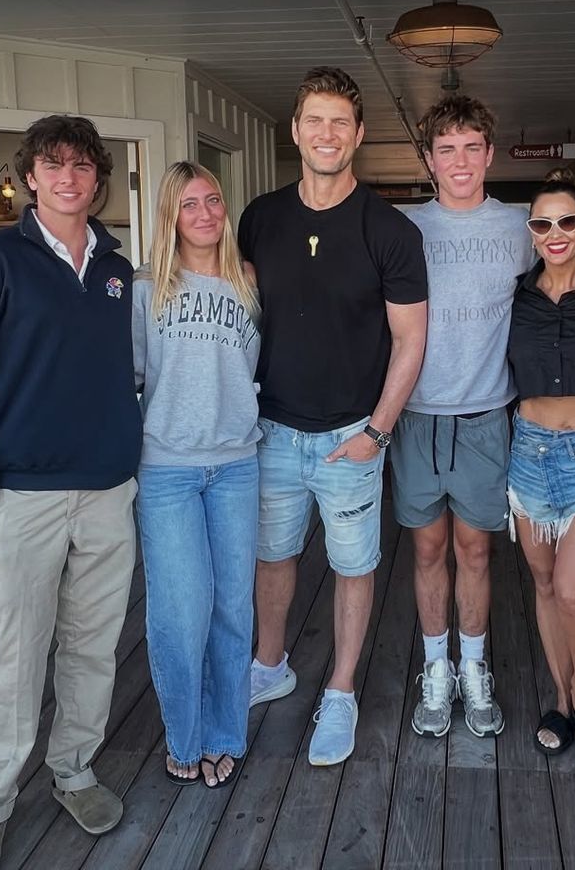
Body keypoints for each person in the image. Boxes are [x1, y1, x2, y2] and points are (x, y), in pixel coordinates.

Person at [0, 116, 142, 870]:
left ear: (97, 178)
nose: (68, 177)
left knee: (92, 648)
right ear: (30, 176)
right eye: (53, 165)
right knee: (15, 660)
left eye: (82, 165)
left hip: (107, 492)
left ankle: (74, 771)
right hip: (20, 498)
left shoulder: (118, 269)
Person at [237, 67, 428, 767]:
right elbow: (237, 313)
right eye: (314, 120)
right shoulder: (260, 218)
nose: (327, 133)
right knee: (272, 556)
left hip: (352, 434)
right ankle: (269, 665)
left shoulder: (390, 229)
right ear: (295, 131)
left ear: (359, 133)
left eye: (340, 122)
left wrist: (377, 431)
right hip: (272, 429)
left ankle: (341, 690)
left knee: (353, 566)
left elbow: (411, 339)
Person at [392, 94, 531, 739]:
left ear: (490, 154)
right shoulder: (403, 228)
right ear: (429, 159)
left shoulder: (520, 229)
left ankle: (474, 667)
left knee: (475, 550)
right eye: (446, 149)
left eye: (472, 147)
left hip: (485, 416)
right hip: (415, 414)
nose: (460, 161)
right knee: (427, 548)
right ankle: (435, 667)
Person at [132, 161, 261, 789]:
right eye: (189, 204)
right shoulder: (146, 287)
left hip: (237, 465)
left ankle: (224, 735)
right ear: (171, 216)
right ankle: (184, 737)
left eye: (212, 200)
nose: (205, 213)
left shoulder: (249, 283)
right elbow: (127, 378)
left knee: (233, 609)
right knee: (182, 613)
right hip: (167, 470)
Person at [506, 168, 575, 757]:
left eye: (567, 221)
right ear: (530, 231)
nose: (555, 233)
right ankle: (559, 691)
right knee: (547, 584)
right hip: (529, 454)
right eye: (542, 223)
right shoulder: (516, 296)